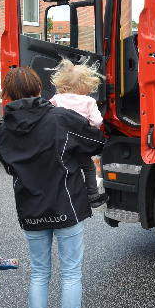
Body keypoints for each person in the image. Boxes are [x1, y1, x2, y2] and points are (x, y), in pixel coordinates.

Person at [0, 67, 104, 308]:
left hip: (30, 209)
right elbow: (96, 143)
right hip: (67, 206)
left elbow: (10, 167)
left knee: (39, 274)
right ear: (38, 89)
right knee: (70, 275)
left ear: (7, 95)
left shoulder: (3, 131)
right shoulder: (60, 119)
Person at [49, 59, 107, 208]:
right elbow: (97, 121)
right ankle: (93, 195)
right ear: (87, 84)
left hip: (60, 144)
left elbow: (48, 115)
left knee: (63, 169)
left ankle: (62, 195)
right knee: (88, 168)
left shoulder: (57, 99)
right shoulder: (88, 101)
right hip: (80, 145)